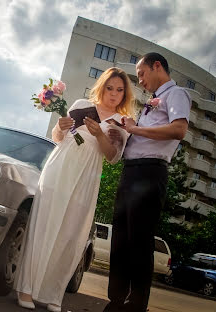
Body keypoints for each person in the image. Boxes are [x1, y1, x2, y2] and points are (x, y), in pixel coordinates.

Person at [14, 67, 135, 312]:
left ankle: (53, 295)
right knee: (45, 225)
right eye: (110, 88)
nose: (113, 94)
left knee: (71, 233)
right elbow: (59, 137)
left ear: (125, 94)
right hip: (60, 168)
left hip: (88, 176)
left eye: (119, 90)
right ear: (102, 86)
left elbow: (113, 157)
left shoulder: (122, 122)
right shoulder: (81, 104)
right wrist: (60, 126)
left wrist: (99, 136)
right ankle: (26, 288)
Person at [103, 53, 191, 312]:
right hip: (130, 171)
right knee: (120, 237)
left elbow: (179, 130)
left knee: (139, 240)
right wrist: (120, 133)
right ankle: (116, 299)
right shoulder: (152, 103)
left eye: (141, 73)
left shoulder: (177, 94)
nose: (139, 80)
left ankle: (136, 303)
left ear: (157, 66)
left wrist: (134, 129)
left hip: (150, 172)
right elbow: (137, 136)